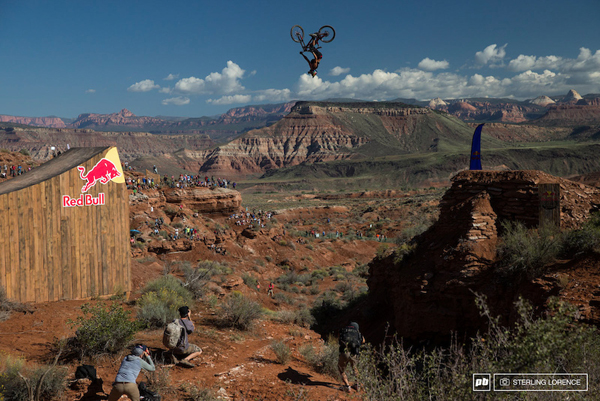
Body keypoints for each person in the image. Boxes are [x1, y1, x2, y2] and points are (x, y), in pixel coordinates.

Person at [338, 322, 365, 393]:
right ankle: (357, 385)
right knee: (355, 368)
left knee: (341, 370)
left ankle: (347, 386)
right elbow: (363, 341)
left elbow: (339, 339)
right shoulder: (357, 333)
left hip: (344, 353)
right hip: (354, 353)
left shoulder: (345, 330)